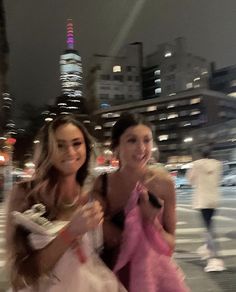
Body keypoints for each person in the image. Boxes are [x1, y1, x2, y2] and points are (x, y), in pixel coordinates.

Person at [5, 114, 126, 292]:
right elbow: (19, 277)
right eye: (60, 145)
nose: (70, 152)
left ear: (86, 146)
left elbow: (113, 248)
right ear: (48, 150)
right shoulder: (25, 194)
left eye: (77, 143)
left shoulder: (90, 199)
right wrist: (70, 233)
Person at [91, 112, 189, 292]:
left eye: (147, 140)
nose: (141, 148)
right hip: (111, 279)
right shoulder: (103, 184)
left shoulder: (164, 183)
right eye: (132, 140)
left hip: (151, 278)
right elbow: (94, 229)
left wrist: (151, 222)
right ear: (116, 146)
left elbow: (170, 245)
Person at [186, 146, 226, 272]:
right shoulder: (218, 164)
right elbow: (218, 179)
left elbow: (190, 180)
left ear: (201, 154)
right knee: (209, 225)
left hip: (202, 200)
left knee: (208, 228)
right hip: (213, 200)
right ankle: (207, 249)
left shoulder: (197, 164)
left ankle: (215, 259)